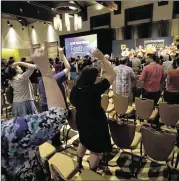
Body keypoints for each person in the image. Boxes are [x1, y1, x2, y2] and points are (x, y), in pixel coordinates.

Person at [1, 41, 67, 181]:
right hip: (26, 102)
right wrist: (20, 62)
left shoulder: (12, 80)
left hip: (17, 104)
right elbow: (33, 66)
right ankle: (35, 140)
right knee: (29, 127)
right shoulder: (20, 77)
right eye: (17, 68)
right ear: (15, 71)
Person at [70, 48, 116, 171]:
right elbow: (112, 74)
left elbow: (72, 102)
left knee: (84, 141)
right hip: (95, 121)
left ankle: (78, 164)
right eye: (96, 76)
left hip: (81, 119)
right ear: (92, 78)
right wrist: (101, 57)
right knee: (95, 150)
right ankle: (92, 172)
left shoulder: (75, 88)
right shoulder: (94, 90)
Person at [38, 47, 70, 149]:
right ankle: (57, 145)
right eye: (51, 67)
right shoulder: (55, 78)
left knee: (50, 125)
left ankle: (51, 142)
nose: (53, 68)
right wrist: (62, 54)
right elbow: (68, 67)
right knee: (56, 126)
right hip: (55, 106)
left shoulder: (40, 80)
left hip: (44, 105)